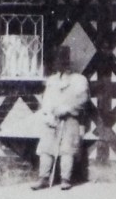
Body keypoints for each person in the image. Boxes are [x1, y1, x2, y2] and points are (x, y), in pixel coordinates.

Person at [31, 46, 90, 191]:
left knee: (67, 149)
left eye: (64, 63)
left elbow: (83, 99)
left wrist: (67, 108)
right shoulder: (52, 80)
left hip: (70, 119)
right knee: (46, 147)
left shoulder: (79, 80)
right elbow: (46, 99)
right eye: (58, 63)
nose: (62, 67)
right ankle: (43, 178)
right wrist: (48, 114)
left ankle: (65, 179)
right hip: (53, 119)